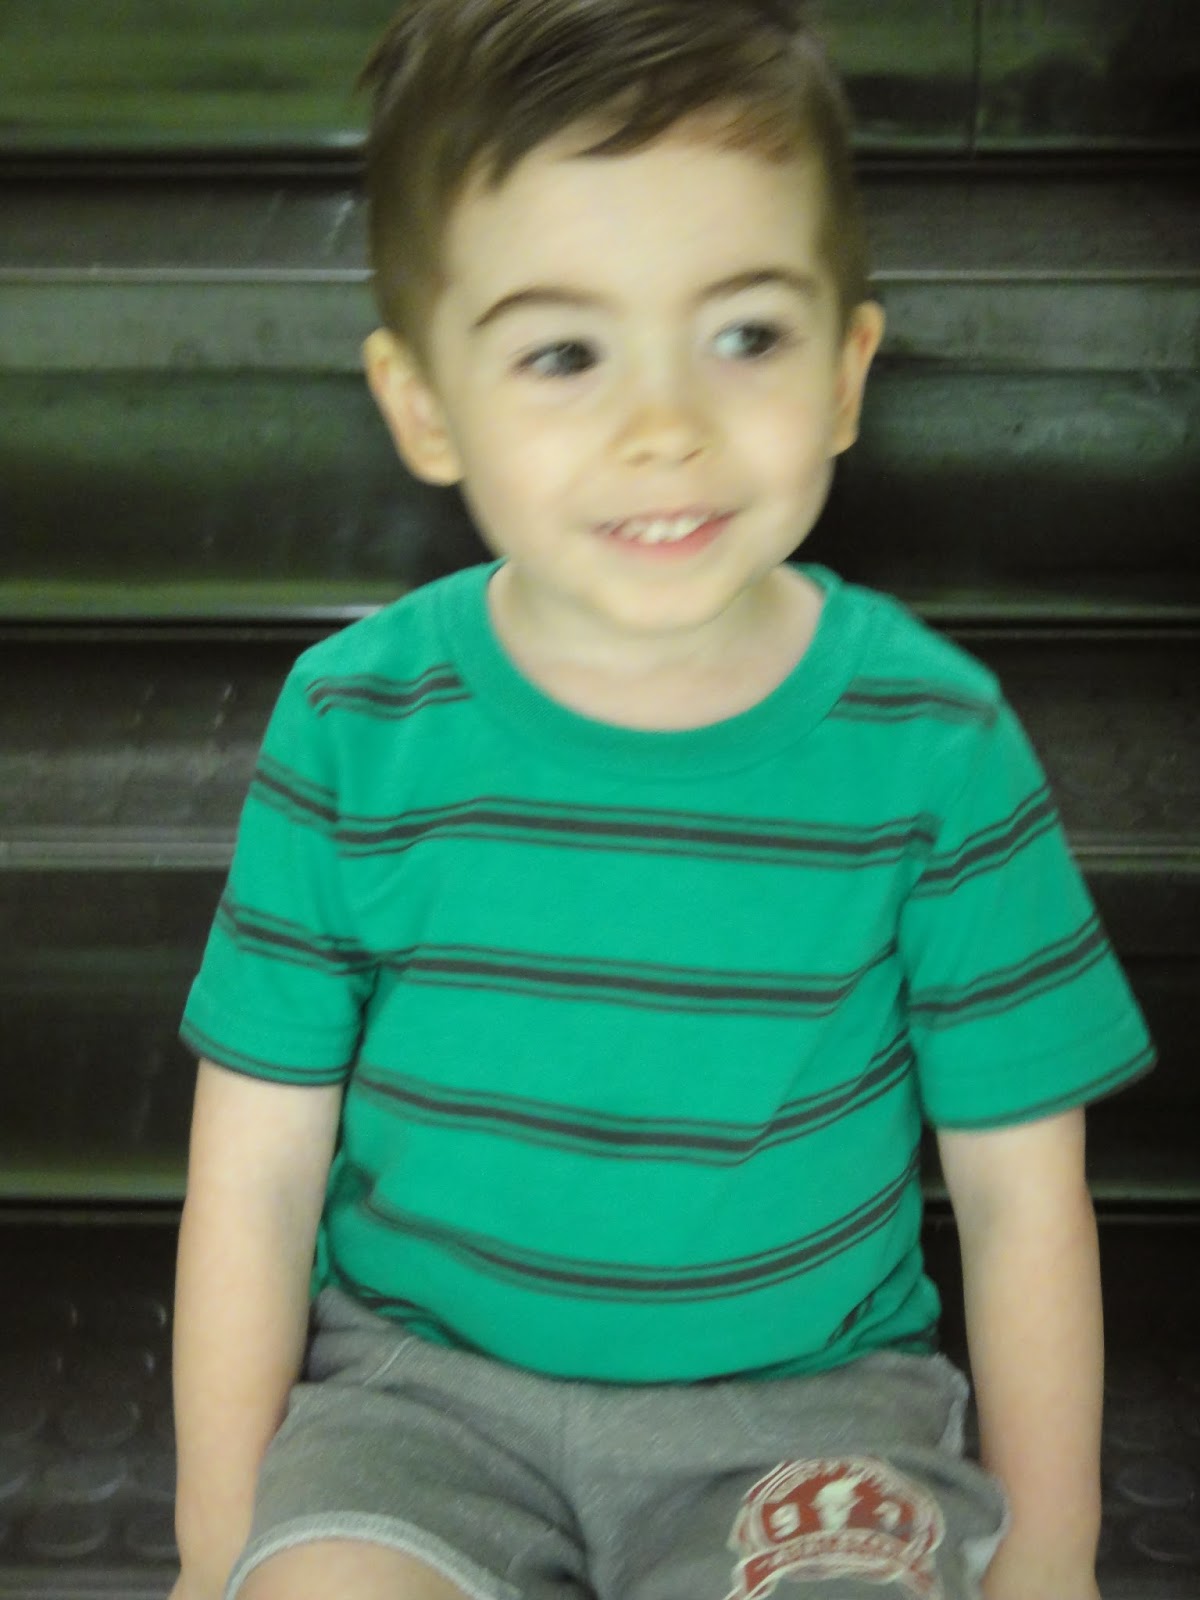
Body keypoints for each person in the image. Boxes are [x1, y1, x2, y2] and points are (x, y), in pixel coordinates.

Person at [169, 3, 1155, 1598]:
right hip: (421, 1407)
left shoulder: (934, 741)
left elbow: (1020, 1196)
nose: (665, 429)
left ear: (847, 373)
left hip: (807, 1419)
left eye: (745, 335)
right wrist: (219, 1550)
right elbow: (259, 1172)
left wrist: (1054, 1563)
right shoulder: (356, 723)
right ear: (425, 407)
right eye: (565, 353)